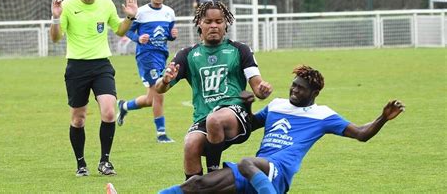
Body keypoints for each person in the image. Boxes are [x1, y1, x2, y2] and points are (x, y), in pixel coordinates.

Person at [159, 65, 406, 194]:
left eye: (301, 89)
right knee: (196, 186)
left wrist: (382, 118)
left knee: (246, 162)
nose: (294, 91)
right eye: (293, 86)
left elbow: (361, 134)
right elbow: (252, 125)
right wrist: (246, 107)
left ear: (315, 93)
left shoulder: (323, 115)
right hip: (256, 172)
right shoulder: (277, 105)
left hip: (278, 172)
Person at [155, 1, 273, 179]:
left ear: (226, 24)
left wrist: (263, 89)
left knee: (215, 119)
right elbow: (160, 88)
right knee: (190, 144)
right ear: (199, 24)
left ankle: (213, 177)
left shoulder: (240, 50)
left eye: (219, 21)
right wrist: (165, 80)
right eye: (208, 21)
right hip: (204, 116)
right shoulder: (187, 55)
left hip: (235, 114)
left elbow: (257, 86)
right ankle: (194, 189)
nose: (214, 26)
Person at [50, 0, 138, 177]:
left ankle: (105, 162)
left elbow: (119, 30)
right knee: (78, 119)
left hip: (101, 65)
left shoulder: (106, 3)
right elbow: (55, 38)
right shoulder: (68, 6)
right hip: (76, 67)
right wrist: (55, 18)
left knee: (108, 112)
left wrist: (130, 17)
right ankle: (81, 164)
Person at [116, 0, 178, 143]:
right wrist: (138, 38)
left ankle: (124, 106)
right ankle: (161, 134)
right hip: (147, 57)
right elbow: (126, 31)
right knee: (159, 94)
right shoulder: (141, 12)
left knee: (151, 99)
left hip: (162, 55)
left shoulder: (169, 12)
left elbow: (169, 35)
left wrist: (173, 35)